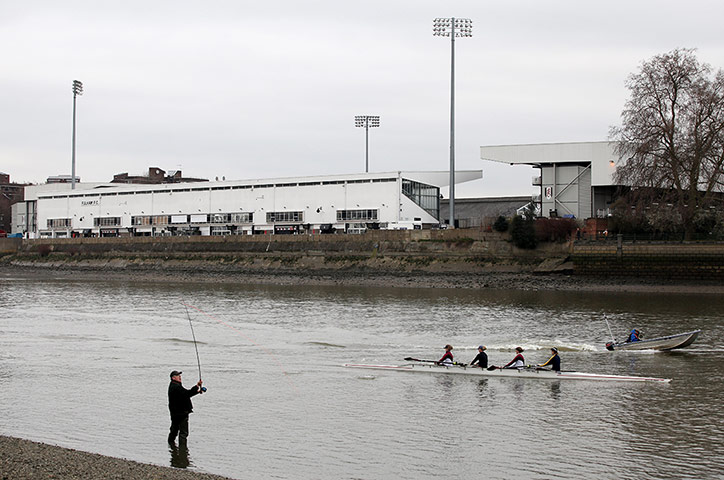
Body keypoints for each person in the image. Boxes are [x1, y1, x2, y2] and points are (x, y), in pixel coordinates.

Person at [168, 370, 203, 445]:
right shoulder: (176, 387)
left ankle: (171, 446)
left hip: (175, 413)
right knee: (183, 433)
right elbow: (187, 394)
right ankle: (183, 451)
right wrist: (197, 386)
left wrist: (197, 391)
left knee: (174, 430)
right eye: (178, 376)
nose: (180, 377)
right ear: (173, 378)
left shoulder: (174, 385)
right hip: (181, 413)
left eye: (180, 375)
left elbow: (185, 395)